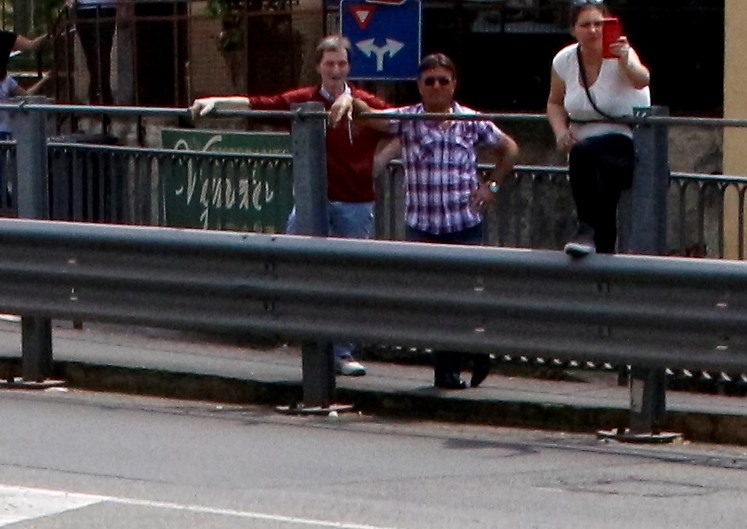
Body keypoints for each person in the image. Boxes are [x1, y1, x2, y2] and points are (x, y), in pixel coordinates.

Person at [194, 36, 389, 377]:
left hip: (356, 202)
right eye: (329, 63)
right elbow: (260, 104)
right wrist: (215, 101)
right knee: (294, 261)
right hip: (313, 200)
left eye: (341, 63)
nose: (335, 69)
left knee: (347, 279)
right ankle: (307, 339)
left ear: (349, 67)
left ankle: (342, 352)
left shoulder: (366, 104)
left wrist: (380, 161)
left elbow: (405, 125)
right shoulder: (304, 100)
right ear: (318, 67)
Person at [376, 54, 516, 390]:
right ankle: (458, 361)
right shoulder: (407, 119)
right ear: (419, 86)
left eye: (443, 80)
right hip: (423, 224)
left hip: (463, 222)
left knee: (463, 298)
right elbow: (367, 119)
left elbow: (510, 149)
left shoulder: (470, 120)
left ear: (453, 83)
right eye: (429, 81)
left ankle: (456, 366)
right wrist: (347, 102)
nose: (437, 87)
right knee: (433, 302)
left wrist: (491, 185)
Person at [546, 2, 652, 258]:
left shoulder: (621, 54)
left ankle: (585, 229)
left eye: (598, 24)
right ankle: (602, 260)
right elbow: (555, 102)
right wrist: (561, 131)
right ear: (574, 30)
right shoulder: (564, 60)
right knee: (602, 193)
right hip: (584, 145)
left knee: (588, 157)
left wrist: (626, 59)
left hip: (620, 140)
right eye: (585, 25)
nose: (593, 31)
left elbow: (642, 79)